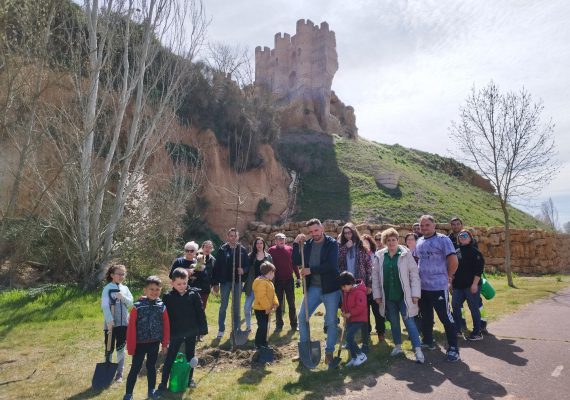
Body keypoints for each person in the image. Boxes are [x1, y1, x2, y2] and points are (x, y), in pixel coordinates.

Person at [293, 218, 341, 368]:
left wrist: (311, 270)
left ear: (322, 228)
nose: (314, 234)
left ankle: (329, 352)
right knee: (302, 317)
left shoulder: (332, 244)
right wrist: (295, 243)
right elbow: (296, 260)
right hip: (313, 288)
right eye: (311, 231)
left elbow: (332, 265)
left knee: (331, 321)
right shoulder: (307, 245)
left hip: (330, 289)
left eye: (316, 230)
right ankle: (305, 351)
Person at [372, 228, 424, 364]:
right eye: (388, 240)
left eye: (393, 239)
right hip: (388, 296)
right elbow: (376, 277)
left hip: (404, 296)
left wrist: (415, 294)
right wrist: (377, 295)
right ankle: (398, 346)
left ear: (397, 240)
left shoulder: (406, 254)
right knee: (394, 322)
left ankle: (418, 349)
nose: (391, 242)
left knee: (409, 322)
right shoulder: (379, 256)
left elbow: (414, 274)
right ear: (384, 242)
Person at [413, 215, 460, 362]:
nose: (424, 228)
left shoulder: (443, 240)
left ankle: (453, 348)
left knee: (445, 317)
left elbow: (453, 261)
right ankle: (428, 341)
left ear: (434, 225)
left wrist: (449, 278)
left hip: (438, 286)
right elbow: (417, 260)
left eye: (427, 225)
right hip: (423, 287)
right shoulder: (419, 241)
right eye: (422, 226)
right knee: (426, 316)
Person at [157, 268, 207, 392]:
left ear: (187, 281)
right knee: (170, 358)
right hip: (176, 333)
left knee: (190, 357)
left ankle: (189, 379)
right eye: (179, 284)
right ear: (172, 283)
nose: (182, 286)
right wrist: (164, 334)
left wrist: (202, 328)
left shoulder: (194, 295)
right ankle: (163, 383)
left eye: (184, 283)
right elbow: (164, 317)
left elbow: (200, 312)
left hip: (191, 331)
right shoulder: (168, 297)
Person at [124, 276, 170, 400]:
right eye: (151, 289)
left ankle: (151, 391)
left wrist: (165, 344)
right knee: (135, 367)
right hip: (139, 344)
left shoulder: (162, 306)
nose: (154, 292)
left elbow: (166, 326)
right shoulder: (137, 307)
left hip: (154, 343)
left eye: (157, 289)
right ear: (145, 290)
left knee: (151, 367)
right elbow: (131, 329)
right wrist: (131, 347)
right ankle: (128, 393)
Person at [448, 217, 489, 334]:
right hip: (458, 281)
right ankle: (461, 325)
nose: (455, 226)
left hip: (471, 280)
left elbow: (477, 263)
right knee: (457, 305)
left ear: (461, 225)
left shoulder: (471, 241)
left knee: (476, 304)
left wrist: (475, 282)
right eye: (453, 224)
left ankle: (482, 324)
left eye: (457, 224)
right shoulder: (449, 239)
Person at [338, 223, 375, 351]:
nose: (348, 235)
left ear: (354, 233)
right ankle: (350, 341)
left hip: (359, 284)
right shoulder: (341, 247)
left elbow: (369, 267)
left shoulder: (361, 247)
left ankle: (366, 340)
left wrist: (369, 284)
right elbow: (337, 261)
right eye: (345, 233)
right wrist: (344, 248)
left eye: (350, 233)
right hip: (346, 285)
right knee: (348, 310)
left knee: (363, 312)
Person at [212, 228, 249, 339]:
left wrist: (243, 270)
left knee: (236, 306)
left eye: (235, 236)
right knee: (223, 306)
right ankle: (221, 330)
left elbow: (247, 265)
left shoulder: (242, 250)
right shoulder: (222, 250)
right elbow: (216, 267)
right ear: (228, 237)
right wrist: (215, 283)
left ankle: (236, 328)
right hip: (225, 282)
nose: (233, 237)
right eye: (231, 236)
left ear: (238, 237)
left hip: (237, 282)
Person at [101, 264, 134, 382]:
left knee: (121, 347)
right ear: (112, 275)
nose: (121, 276)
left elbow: (131, 303)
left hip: (123, 323)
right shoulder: (107, 288)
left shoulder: (125, 289)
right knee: (109, 347)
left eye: (123, 274)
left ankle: (119, 373)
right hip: (110, 323)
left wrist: (123, 297)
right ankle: (107, 369)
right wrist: (110, 320)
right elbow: (104, 306)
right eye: (118, 274)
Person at [452, 229, 485, 341]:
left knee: (473, 308)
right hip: (458, 286)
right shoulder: (456, 252)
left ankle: (477, 332)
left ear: (470, 237)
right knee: (455, 307)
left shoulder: (476, 252)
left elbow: (478, 271)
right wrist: (451, 282)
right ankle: (457, 330)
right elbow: (452, 267)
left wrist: (475, 284)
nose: (462, 237)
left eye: (465, 235)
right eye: (460, 236)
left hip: (471, 285)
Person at [268, 233, 300, 332]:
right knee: (278, 304)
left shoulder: (290, 249)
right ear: (275, 241)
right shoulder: (271, 251)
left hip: (289, 280)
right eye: (279, 239)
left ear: (285, 240)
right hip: (277, 281)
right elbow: (269, 265)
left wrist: (298, 277)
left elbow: (294, 265)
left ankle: (294, 325)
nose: (281, 240)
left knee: (291, 303)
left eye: (283, 239)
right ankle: (279, 325)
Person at [339, 271, 368, 367]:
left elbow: (361, 307)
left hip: (359, 319)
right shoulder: (346, 292)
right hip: (350, 319)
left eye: (344, 286)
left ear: (350, 283)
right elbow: (344, 304)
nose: (343, 289)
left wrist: (350, 314)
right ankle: (354, 357)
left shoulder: (359, 292)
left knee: (349, 337)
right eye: (342, 287)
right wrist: (343, 311)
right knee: (349, 338)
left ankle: (361, 355)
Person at [244, 237, 273, 332]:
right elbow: (246, 269)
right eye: (257, 243)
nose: (259, 245)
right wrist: (242, 270)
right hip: (253, 285)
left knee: (264, 307)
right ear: (255, 245)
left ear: (263, 245)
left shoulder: (268, 257)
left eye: (261, 243)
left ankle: (263, 327)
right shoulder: (250, 256)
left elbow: (272, 271)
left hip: (264, 286)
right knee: (247, 307)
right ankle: (248, 327)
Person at [361, 234, 385, 342]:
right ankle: (367, 333)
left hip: (375, 288)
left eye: (367, 242)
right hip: (362, 288)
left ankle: (381, 332)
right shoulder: (359, 256)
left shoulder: (377, 255)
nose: (365, 245)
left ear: (371, 243)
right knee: (364, 313)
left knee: (378, 312)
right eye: (363, 243)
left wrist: (370, 286)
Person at [252, 261, 279, 349]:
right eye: (273, 272)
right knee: (262, 326)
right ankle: (258, 343)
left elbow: (273, 294)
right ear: (270, 272)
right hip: (260, 309)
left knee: (266, 326)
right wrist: (267, 307)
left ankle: (264, 343)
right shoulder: (261, 282)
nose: (274, 274)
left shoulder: (269, 282)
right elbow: (261, 296)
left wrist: (275, 303)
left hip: (267, 309)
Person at [196, 240, 216, 309]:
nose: (207, 249)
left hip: (206, 288)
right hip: (195, 286)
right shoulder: (196, 256)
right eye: (206, 247)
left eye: (210, 247)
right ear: (203, 247)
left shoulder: (213, 260)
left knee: (203, 307)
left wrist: (214, 285)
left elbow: (214, 274)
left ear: (212, 249)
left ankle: (201, 320)